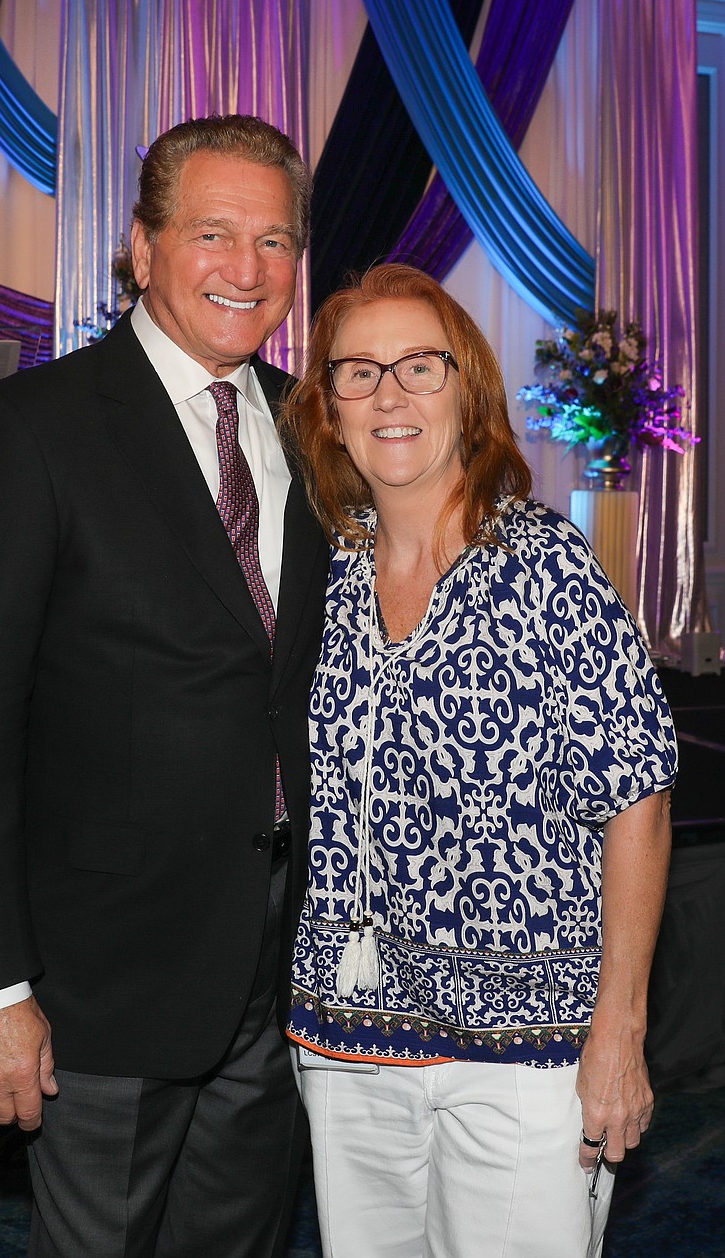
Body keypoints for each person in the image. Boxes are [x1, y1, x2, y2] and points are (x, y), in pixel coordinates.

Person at [0, 114, 328, 1257]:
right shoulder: (27, 431)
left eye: (276, 242)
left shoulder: (314, 425)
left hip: (285, 966)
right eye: (213, 234)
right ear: (141, 247)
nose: (247, 270)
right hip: (97, 981)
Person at [279, 263, 677, 1258]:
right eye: (357, 373)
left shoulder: (544, 563)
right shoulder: (316, 571)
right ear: (327, 409)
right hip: (346, 1037)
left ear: (469, 392)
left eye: (420, 366)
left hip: (529, 1053)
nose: (390, 394)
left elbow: (638, 797)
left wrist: (617, 1032)